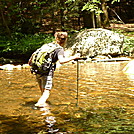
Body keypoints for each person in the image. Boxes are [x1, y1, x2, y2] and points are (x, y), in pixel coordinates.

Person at [33, 31, 80, 107]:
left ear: (56, 37)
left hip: (37, 70)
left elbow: (32, 57)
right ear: (65, 40)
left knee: (43, 90)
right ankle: (39, 104)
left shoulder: (47, 45)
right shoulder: (59, 49)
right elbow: (61, 61)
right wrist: (74, 57)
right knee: (47, 92)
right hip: (46, 72)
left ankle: (43, 109)